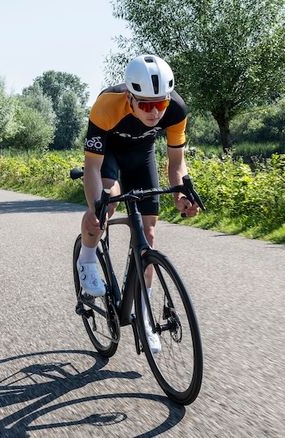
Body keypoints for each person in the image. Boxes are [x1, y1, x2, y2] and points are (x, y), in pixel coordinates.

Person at [76, 54, 200, 353]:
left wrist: (181, 194)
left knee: (149, 235)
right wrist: (95, 207)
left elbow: (176, 164)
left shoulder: (176, 109)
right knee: (108, 200)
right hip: (110, 155)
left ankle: (144, 313)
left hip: (141, 156)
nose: (154, 112)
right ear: (130, 97)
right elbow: (91, 166)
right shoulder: (107, 105)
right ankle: (87, 259)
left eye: (160, 103)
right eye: (145, 104)